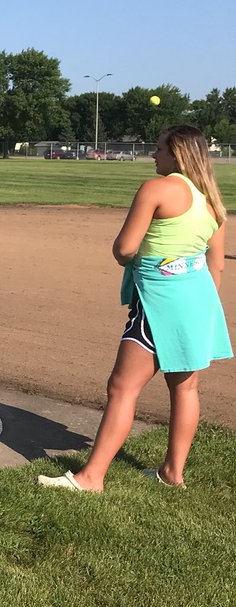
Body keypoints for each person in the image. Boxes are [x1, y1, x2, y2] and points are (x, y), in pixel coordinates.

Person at [39, 125, 231, 492]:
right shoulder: (212, 199)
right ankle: (172, 473)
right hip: (199, 301)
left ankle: (91, 477)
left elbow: (124, 249)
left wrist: (136, 258)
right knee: (186, 388)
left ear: (177, 153)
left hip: (159, 301)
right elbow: (216, 265)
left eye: (159, 149)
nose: (153, 155)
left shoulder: (156, 189)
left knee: (122, 388)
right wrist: (198, 308)